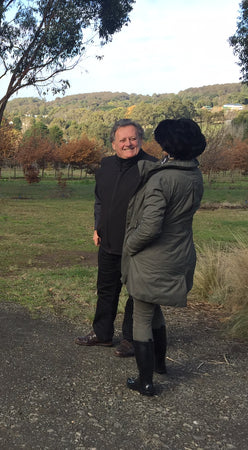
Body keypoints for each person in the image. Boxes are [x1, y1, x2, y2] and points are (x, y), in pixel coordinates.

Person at [122, 118, 206, 396]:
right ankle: (159, 365)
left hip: (153, 259)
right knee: (154, 310)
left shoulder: (162, 178)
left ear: (170, 145)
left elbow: (150, 227)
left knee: (142, 316)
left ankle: (144, 381)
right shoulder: (194, 175)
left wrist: (130, 245)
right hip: (179, 253)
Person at [75, 119, 157, 357]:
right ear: (113, 144)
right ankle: (102, 334)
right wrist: (97, 226)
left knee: (137, 294)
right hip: (108, 241)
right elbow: (100, 200)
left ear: (140, 140)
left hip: (138, 245)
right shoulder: (106, 165)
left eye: (133, 138)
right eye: (122, 140)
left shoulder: (152, 167)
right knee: (106, 290)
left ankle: (132, 339)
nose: (128, 144)